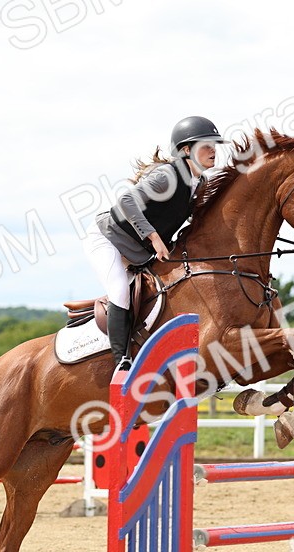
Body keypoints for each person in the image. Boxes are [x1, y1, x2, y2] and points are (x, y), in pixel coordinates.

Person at [82, 115, 225, 371]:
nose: (213, 150)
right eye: (206, 145)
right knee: (119, 291)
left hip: (139, 251)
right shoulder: (167, 176)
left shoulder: (198, 182)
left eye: (215, 145)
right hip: (108, 239)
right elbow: (126, 202)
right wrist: (154, 236)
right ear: (185, 150)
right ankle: (122, 362)